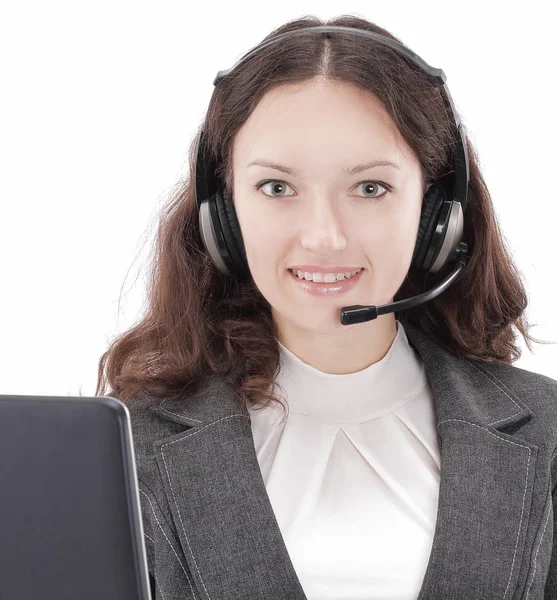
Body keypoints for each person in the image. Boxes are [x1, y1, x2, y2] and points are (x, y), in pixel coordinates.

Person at [96, 15, 557, 600]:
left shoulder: (546, 428)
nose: (324, 237)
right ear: (223, 216)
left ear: (438, 215)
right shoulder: (129, 444)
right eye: (277, 188)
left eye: (370, 188)